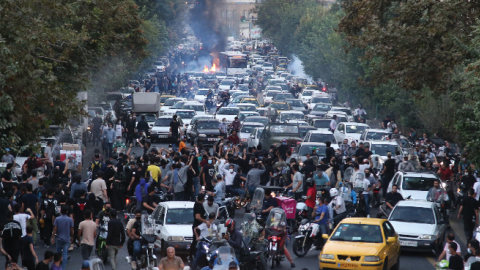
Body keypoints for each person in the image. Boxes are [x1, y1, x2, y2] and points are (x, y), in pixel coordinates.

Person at [51, 205, 73, 270]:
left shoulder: (57, 219)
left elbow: (55, 228)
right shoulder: (70, 219)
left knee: (58, 252)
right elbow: (71, 229)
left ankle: (57, 266)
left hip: (59, 238)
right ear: (67, 211)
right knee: (65, 253)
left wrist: (52, 237)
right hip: (66, 238)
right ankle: (63, 268)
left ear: (60, 211)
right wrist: (72, 236)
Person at [191, 194, 207, 260]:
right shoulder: (199, 206)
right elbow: (197, 217)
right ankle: (193, 254)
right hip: (198, 226)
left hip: (198, 225)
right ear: (203, 199)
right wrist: (206, 221)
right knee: (196, 240)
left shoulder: (196, 203)